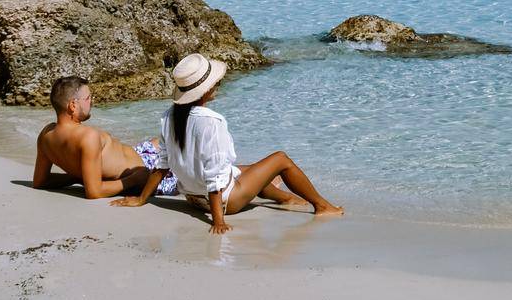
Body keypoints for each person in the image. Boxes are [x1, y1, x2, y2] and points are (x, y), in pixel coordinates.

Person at [113, 53, 344, 233]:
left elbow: (162, 165)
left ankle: (287, 199)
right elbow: (214, 175)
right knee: (281, 159)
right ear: (206, 90)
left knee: (248, 169)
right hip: (223, 204)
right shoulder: (212, 122)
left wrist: (142, 199)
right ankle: (322, 206)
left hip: (193, 199)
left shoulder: (168, 116)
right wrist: (218, 221)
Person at [32, 75, 179, 200]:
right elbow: (94, 192)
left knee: (163, 141)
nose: (92, 102)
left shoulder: (46, 135)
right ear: (73, 106)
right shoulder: (88, 137)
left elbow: (40, 181)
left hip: (138, 156)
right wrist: (133, 180)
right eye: (88, 98)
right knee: (189, 157)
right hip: (146, 176)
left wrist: (78, 177)